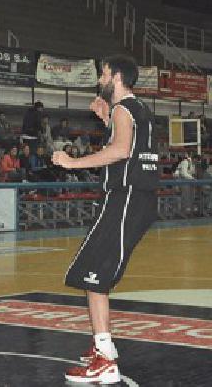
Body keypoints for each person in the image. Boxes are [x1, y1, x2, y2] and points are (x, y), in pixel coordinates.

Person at [52, 55, 159, 384]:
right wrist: (108, 122)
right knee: (92, 273)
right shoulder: (139, 110)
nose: (100, 79)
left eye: (104, 74)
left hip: (126, 197)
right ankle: (104, 348)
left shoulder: (124, 109)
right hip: (135, 199)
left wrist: (72, 162)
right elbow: (129, 144)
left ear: (118, 78)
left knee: (92, 274)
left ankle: (104, 360)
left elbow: (122, 151)